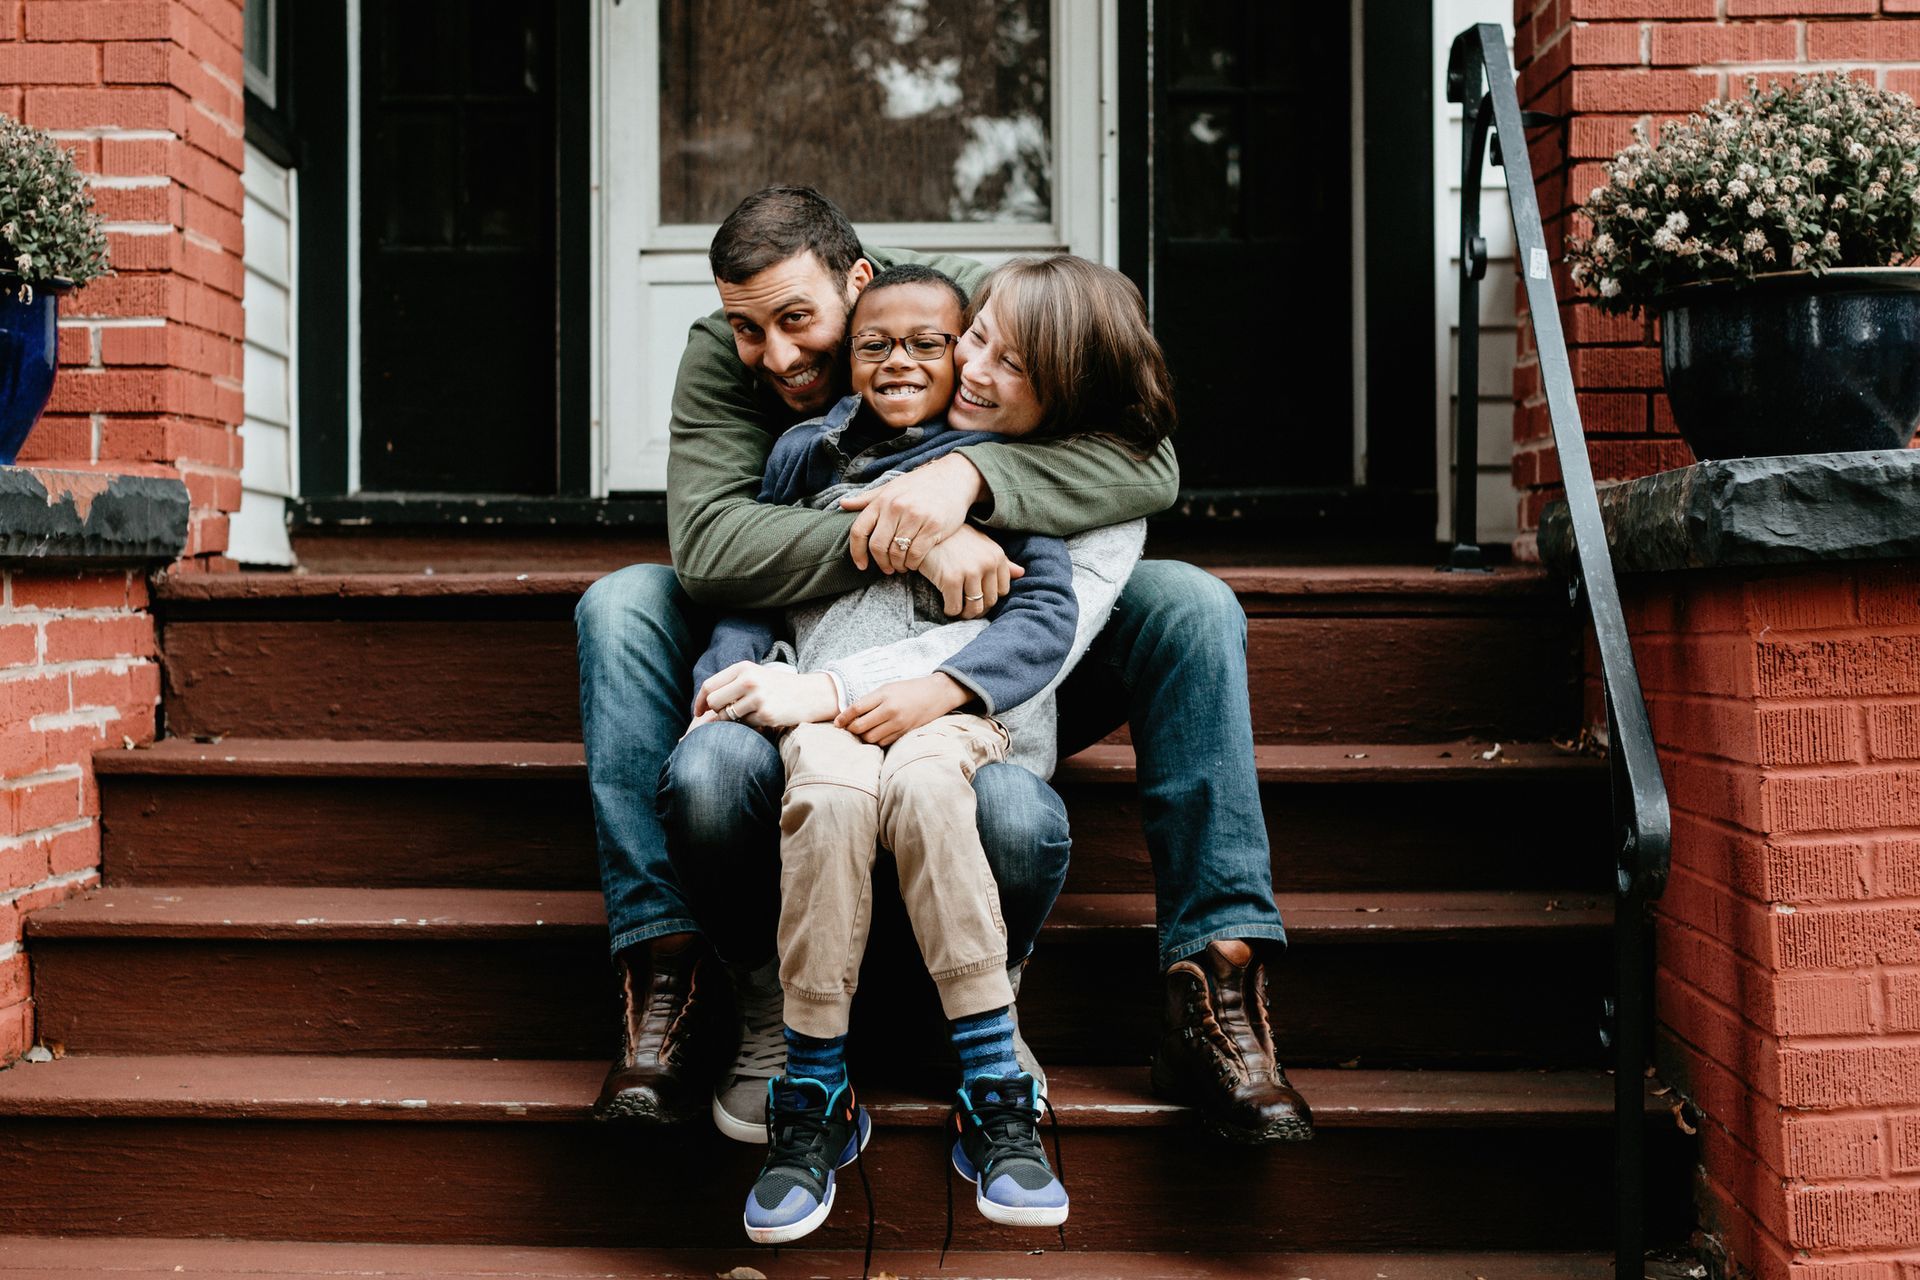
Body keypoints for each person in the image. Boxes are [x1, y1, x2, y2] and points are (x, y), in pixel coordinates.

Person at [574, 185, 1312, 1153]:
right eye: (751, 329)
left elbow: (1146, 465)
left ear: (861, 280)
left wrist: (970, 477)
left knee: (1190, 600)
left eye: (799, 319)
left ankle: (1214, 978)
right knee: (622, 601)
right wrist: (917, 534)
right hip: (803, 635)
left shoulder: (968, 314)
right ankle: (673, 964)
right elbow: (713, 549)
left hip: (987, 652)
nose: (778, 356)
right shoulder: (731, 355)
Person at [689, 260, 1150, 1242]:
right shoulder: (805, 453)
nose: (906, 360)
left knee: (938, 798)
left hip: (953, 725)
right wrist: (722, 686)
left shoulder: (1010, 467)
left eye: (940, 345)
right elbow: (752, 591)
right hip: (823, 723)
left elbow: (1046, 617)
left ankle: (991, 1074)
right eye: (875, 344)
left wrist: (960, 677)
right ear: (848, 358)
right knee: (828, 803)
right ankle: (812, 1091)